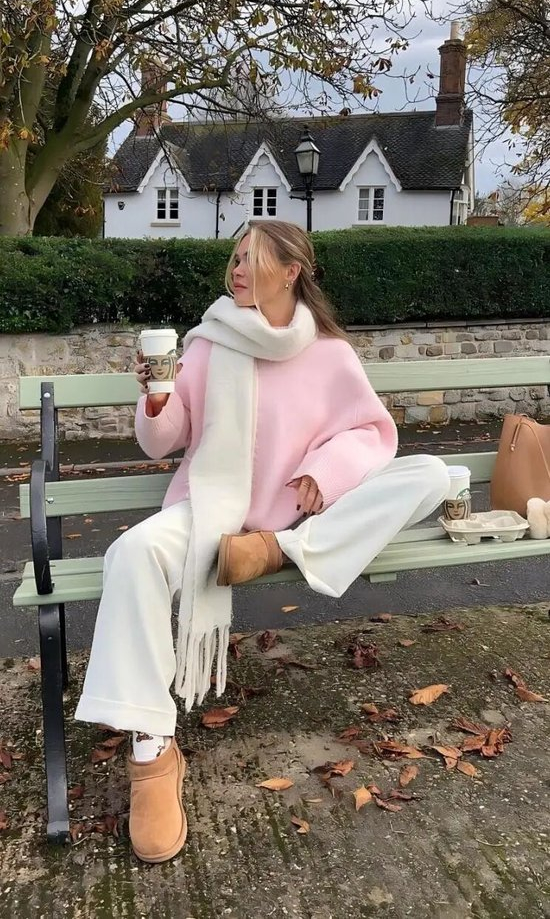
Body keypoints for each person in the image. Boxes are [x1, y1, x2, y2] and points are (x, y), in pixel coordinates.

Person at [75, 219, 450, 864]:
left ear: (291, 270)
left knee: (432, 473)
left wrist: (326, 470)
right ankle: (151, 748)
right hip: (211, 514)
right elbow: (164, 443)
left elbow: (369, 431)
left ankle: (280, 550)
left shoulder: (329, 354)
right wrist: (157, 398)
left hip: (299, 519)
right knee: (130, 552)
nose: (238, 268)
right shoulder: (207, 343)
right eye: (235, 256)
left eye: (251, 257)